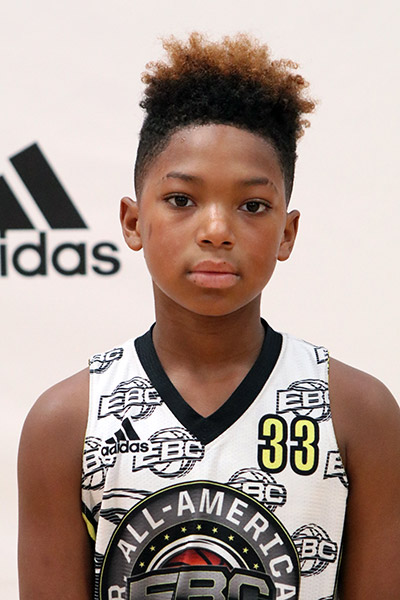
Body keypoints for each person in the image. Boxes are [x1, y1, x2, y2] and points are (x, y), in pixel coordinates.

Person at [18, 33, 400, 600]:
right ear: (132, 222)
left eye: (252, 205)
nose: (217, 230)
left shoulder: (359, 414)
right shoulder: (66, 423)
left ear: (287, 232)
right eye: (181, 200)